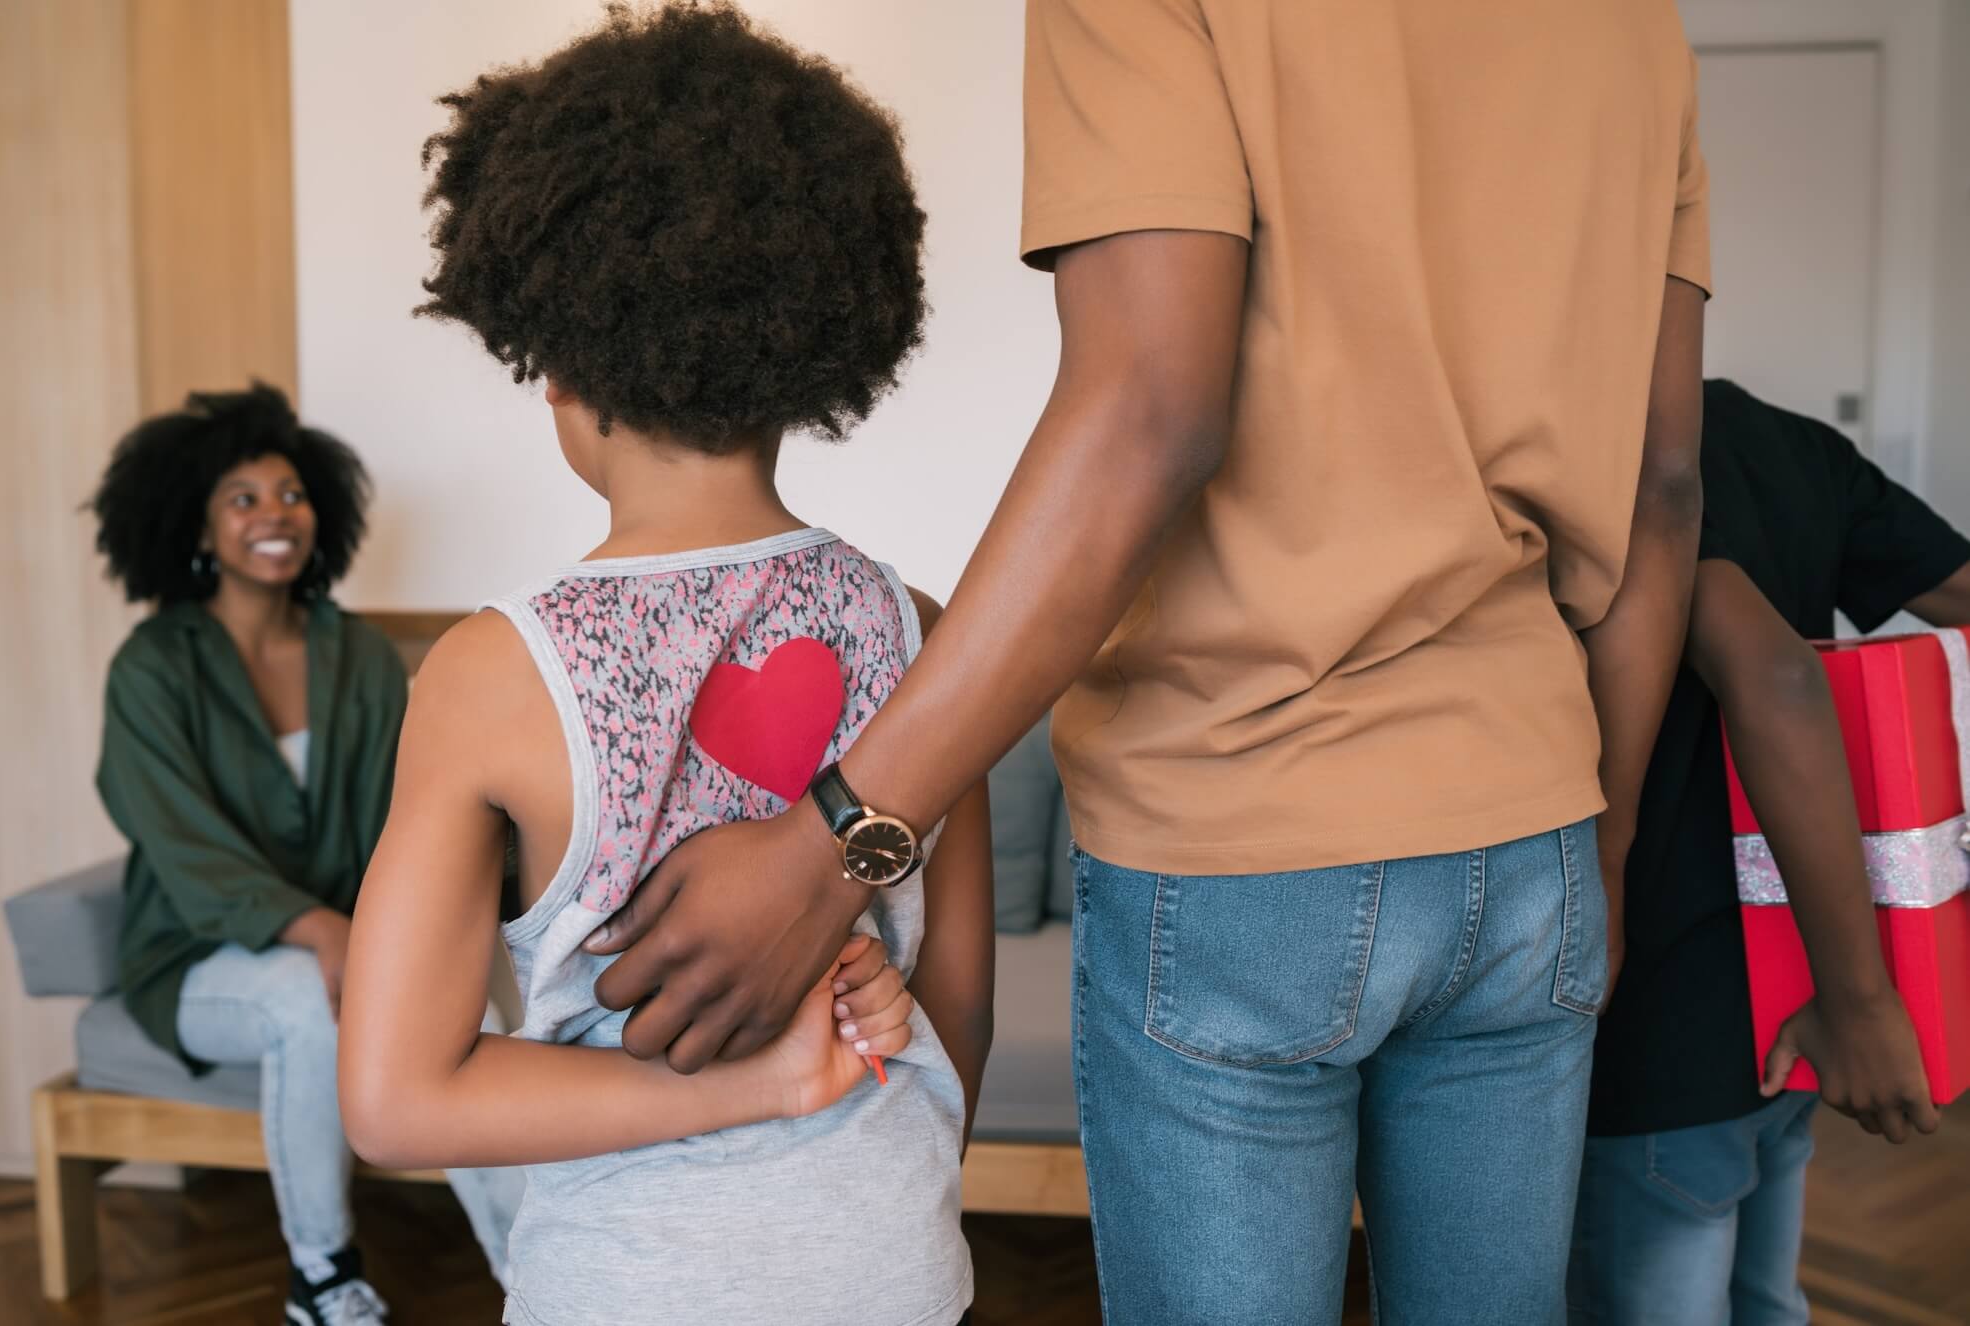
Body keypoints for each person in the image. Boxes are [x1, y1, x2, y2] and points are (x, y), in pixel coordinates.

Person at [587, 2, 1714, 1322]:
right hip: (1536, 831)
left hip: (1244, 826)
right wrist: (1606, 845)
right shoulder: (1635, 25)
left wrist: (832, 837)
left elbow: (1149, 410)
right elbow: (1666, 485)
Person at [333, 8, 994, 1326]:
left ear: (560, 360)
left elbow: (394, 1101)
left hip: (627, 1284)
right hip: (895, 1268)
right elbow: (956, 1024)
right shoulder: (924, 629)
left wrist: (742, 1084)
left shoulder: (487, 675)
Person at [89, 383, 519, 1326]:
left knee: (465, 1009)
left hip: (359, 936)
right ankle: (320, 1278)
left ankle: (537, 1275)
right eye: (242, 497)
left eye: (290, 493)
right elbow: (179, 842)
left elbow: (398, 823)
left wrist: (391, 944)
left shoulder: (358, 657)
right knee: (309, 1008)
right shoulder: (154, 669)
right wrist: (325, 933)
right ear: (198, 525)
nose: (274, 514)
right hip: (203, 960)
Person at [1569, 380, 1958, 1325]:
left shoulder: (1599, 442)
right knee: (1768, 1304)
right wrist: (1853, 996)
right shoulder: (1791, 444)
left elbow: (1777, 671)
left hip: (1661, 1020)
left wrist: (1863, 1001)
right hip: (1795, 1004)